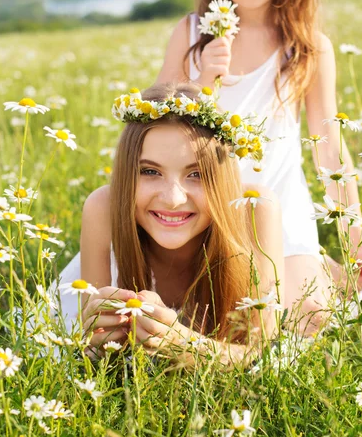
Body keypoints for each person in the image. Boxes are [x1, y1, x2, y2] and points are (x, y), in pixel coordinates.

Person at [156, 0, 362, 324]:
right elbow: (155, 129)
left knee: (307, 317)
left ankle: (323, 269)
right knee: (208, 312)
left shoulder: (308, 47)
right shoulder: (191, 34)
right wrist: (202, 79)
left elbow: (328, 147)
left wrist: (354, 233)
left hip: (279, 204)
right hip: (202, 203)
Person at [67, 84, 285, 361]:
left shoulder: (255, 209)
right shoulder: (103, 207)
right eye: (149, 171)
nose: (172, 199)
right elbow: (95, 349)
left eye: (196, 174)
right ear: (125, 174)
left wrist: (184, 346)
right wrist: (99, 341)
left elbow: (260, 352)